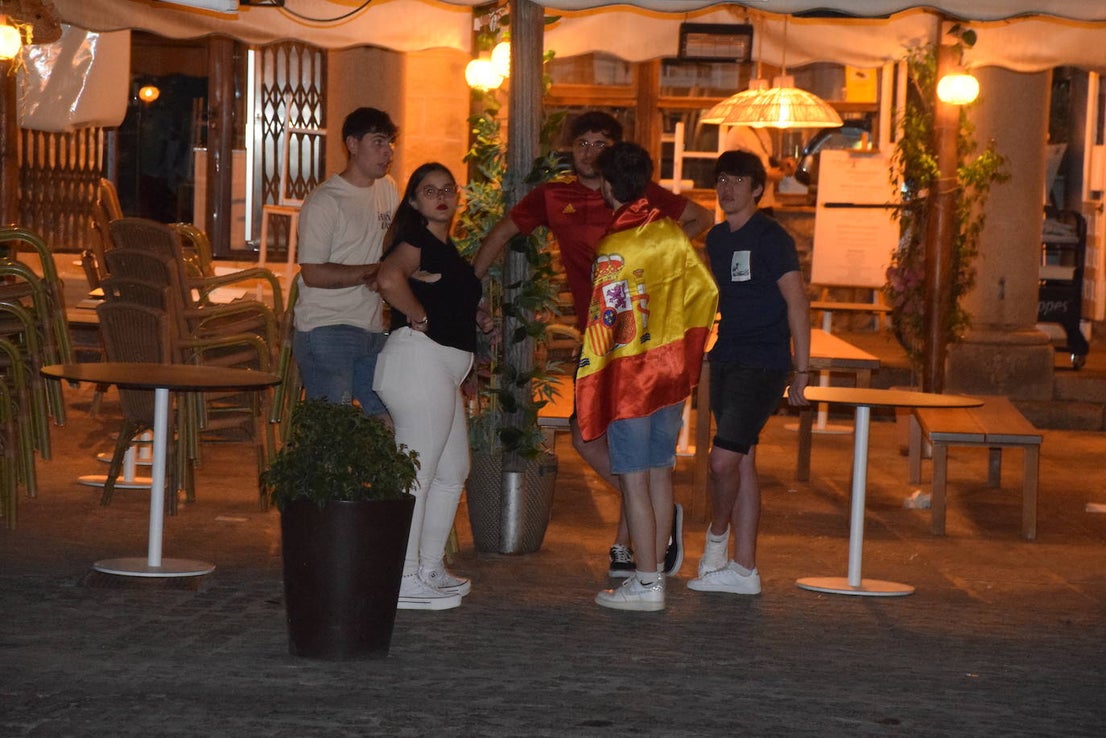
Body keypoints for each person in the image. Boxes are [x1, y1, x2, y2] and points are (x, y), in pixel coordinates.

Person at [474, 111, 714, 578]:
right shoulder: (553, 195)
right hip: (599, 338)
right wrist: (470, 287)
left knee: (624, 444)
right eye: (581, 143)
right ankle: (647, 520)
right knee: (592, 436)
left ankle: (631, 548)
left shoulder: (636, 197)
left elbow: (700, 217)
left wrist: (659, 255)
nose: (589, 151)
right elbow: (503, 232)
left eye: (600, 143)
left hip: (638, 344)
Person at [578, 142, 718, 611]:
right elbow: (705, 290)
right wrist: (684, 348)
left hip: (631, 381)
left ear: (608, 187)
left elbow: (604, 329)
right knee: (660, 474)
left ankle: (647, 583)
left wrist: (591, 381)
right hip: (672, 374)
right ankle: (652, 576)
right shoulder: (671, 234)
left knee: (634, 479)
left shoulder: (614, 248)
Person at [687, 150, 811, 597]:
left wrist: (801, 368)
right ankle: (745, 571)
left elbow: (797, 301)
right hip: (727, 357)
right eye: (722, 179)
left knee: (722, 461)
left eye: (739, 179)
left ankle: (716, 544)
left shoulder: (771, 237)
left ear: (758, 188)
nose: (728, 188)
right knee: (743, 463)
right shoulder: (716, 239)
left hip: (764, 362)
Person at [373, 163, 488, 611]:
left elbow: (451, 299)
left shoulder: (447, 250)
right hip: (417, 360)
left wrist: (478, 318)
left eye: (447, 189)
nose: (441, 196)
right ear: (415, 201)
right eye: (429, 190)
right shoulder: (416, 241)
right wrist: (418, 316)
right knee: (418, 472)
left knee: (452, 469)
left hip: (441, 366)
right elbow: (387, 278)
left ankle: (428, 566)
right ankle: (400, 575)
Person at [292, 107, 398, 418]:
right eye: (378, 142)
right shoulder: (326, 201)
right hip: (327, 327)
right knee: (333, 427)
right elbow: (312, 273)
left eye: (390, 143)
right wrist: (374, 272)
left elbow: (393, 247)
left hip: (372, 325)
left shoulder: (388, 188)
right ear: (352, 144)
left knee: (387, 415)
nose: (387, 152)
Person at [723, 125, 795, 213]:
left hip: (765, 202)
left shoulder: (762, 130)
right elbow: (732, 170)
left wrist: (781, 165)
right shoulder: (736, 133)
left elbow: (764, 161)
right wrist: (765, 175)